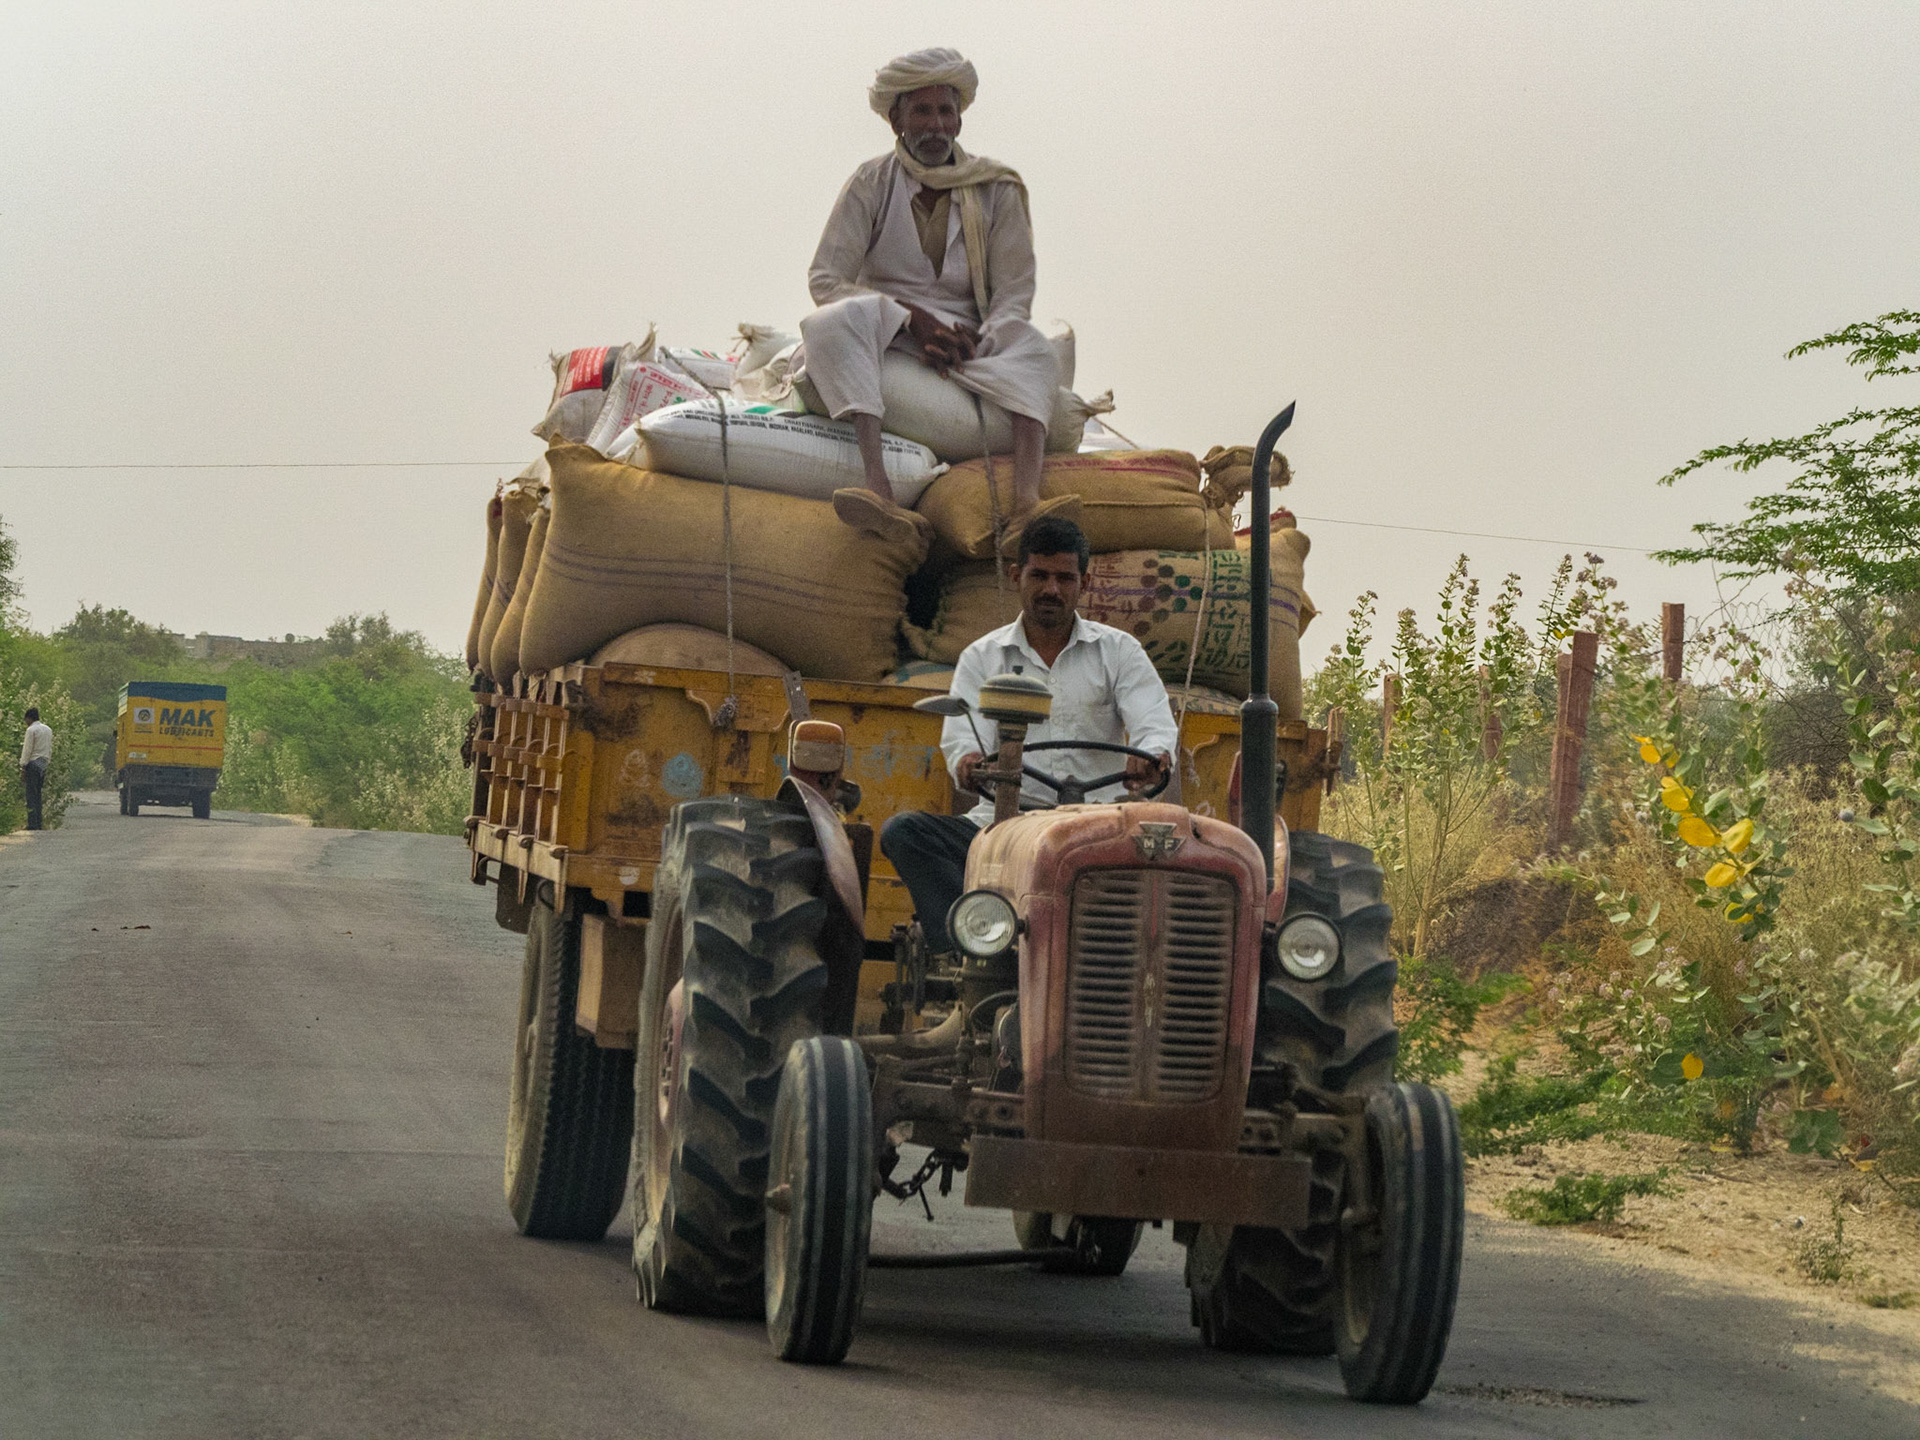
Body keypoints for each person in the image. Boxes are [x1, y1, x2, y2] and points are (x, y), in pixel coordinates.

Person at [799, 47, 1070, 546]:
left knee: (1036, 346)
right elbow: (825, 280)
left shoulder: (996, 187)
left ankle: (1026, 504)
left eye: (946, 111)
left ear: (960, 121)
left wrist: (979, 336)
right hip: (886, 330)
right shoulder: (870, 182)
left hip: (973, 337)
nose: (936, 125)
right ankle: (878, 488)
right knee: (828, 323)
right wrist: (909, 320)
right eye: (922, 111)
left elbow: (1014, 292)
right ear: (896, 120)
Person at [880, 514, 1179, 952]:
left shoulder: (1118, 652)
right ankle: (972, 952)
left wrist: (1151, 757)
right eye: (1039, 575)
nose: (1051, 589)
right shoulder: (983, 657)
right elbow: (964, 741)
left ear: (1084, 582)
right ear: (1016, 576)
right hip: (1003, 828)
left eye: (1064, 577)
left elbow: (1154, 722)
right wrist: (970, 766)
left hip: (1095, 829)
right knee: (903, 833)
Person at [19, 706, 52, 831]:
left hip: (32, 764)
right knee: (38, 793)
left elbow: (27, 750)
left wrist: (23, 766)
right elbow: (49, 748)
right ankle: (39, 822)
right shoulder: (48, 730)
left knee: (31, 794)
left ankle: (32, 823)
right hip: (43, 764)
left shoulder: (31, 730)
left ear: (29, 718)